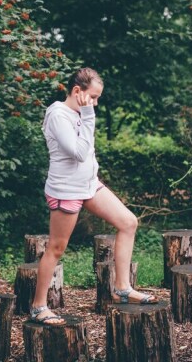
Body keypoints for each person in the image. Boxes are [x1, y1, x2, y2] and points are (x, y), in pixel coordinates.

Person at [30, 67, 158, 326]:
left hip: (89, 185)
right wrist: (89, 115)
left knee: (128, 222)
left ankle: (122, 287)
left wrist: (87, 114)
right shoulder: (58, 115)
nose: (96, 103)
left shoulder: (79, 113)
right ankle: (38, 306)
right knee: (57, 248)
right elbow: (78, 152)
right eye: (94, 97)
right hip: (66, 189)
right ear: (78, 91)